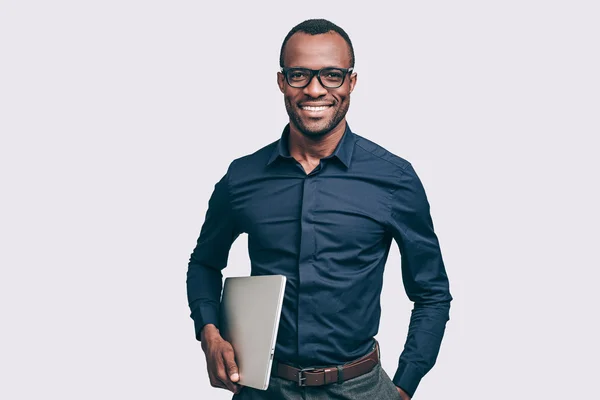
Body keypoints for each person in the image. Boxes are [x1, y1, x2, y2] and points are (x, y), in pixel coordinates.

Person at [186, 18, 452, 400]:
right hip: (261, 388)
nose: (314, 90)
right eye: (299, 75)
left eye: (331, 75)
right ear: (281, 81)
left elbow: (431, 292)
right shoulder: (241, 178)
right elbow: (205, 263)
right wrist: (209, 332)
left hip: (361, 388)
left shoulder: (394, 178)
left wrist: (405, 385)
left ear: (351, 82)